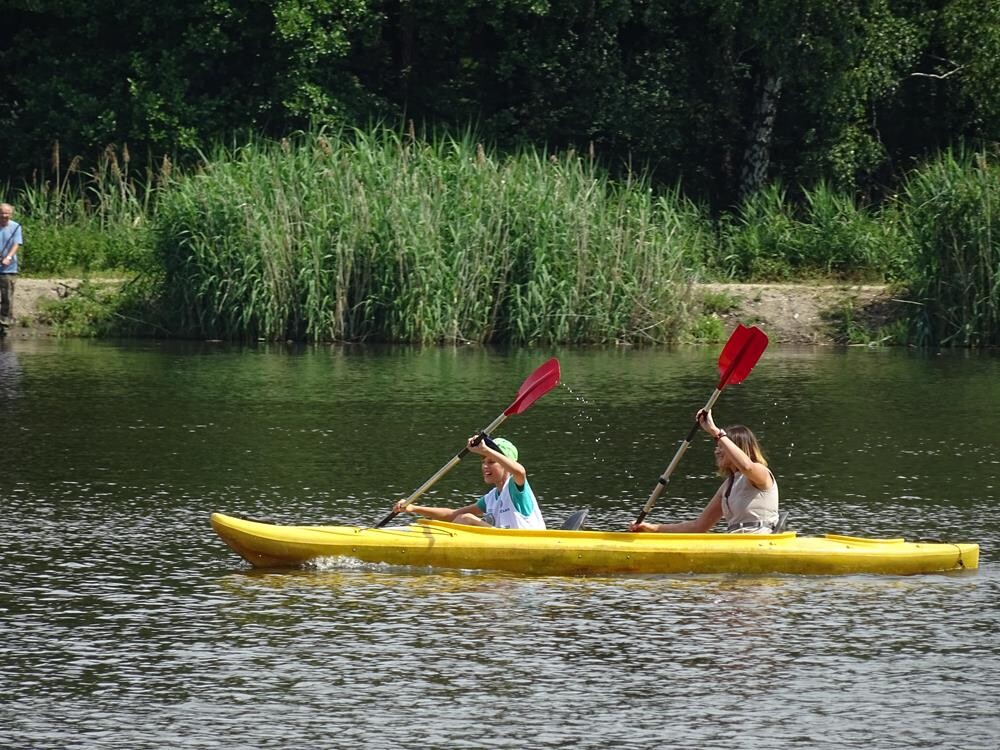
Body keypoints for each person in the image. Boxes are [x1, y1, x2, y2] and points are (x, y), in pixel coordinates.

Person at [630, 408, 779, 534]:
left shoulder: (761, 473)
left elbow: (747, 467)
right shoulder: (727, 486)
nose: (717, 451)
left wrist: (715, 431)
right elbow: (698, 526)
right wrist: (653, 528)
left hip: (762, 540)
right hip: (736, 541)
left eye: (722, 447)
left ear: (738, 449)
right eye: (717, 446)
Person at [392, 434, 546, 529]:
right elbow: (452, 515)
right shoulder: (491, 498)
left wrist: (485, 450)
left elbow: (520, 471)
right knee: (462, 517)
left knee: (466, 520)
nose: (485, 466)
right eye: (483, 461)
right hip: (506, 542)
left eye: (492, 462)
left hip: (532, 543)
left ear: (506, 465)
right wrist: (414, 508)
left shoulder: (515, 486)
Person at [0, 203, 23, 326]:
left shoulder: (15, 227)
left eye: (7, 213)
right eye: (2, 213)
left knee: (7, 297)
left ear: (11, 214)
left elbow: (16, 244)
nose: (4, 215)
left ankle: (5, 322)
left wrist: (8, 257)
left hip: (8, 268)